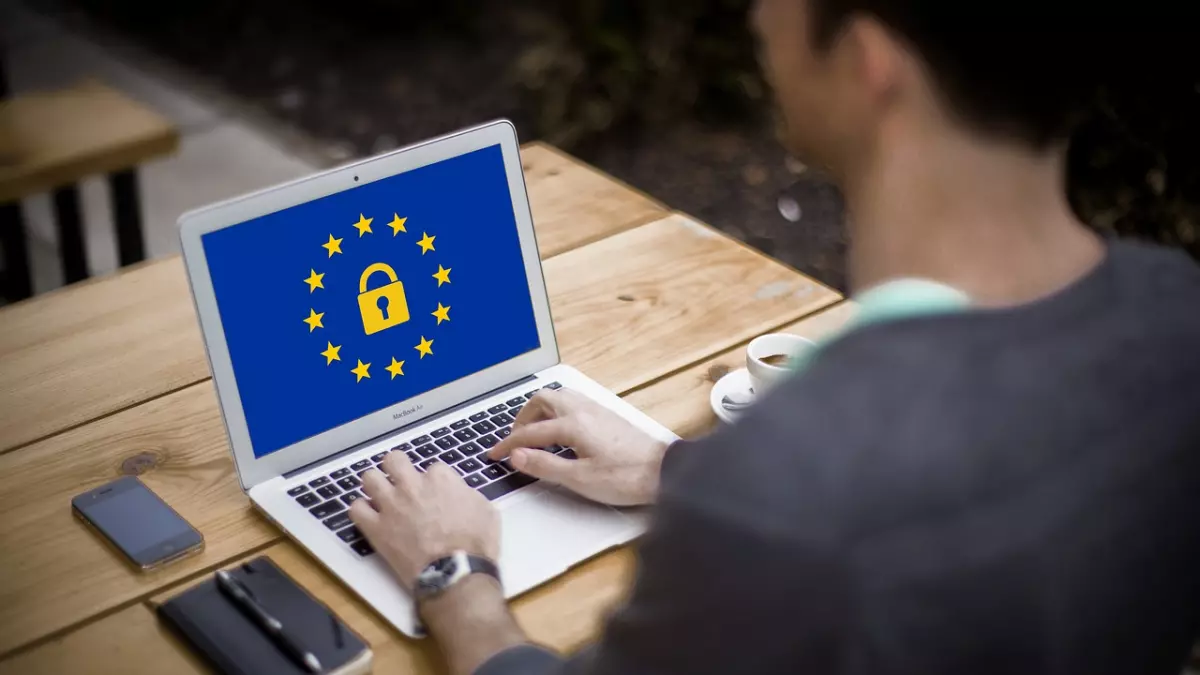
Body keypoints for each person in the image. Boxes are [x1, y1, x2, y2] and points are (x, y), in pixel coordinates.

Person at [348, 1, 1200, 673]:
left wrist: (454, 573)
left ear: (871, 63)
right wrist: (671, 467)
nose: (756, 16)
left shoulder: (787, 495)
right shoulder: (1176, 317)